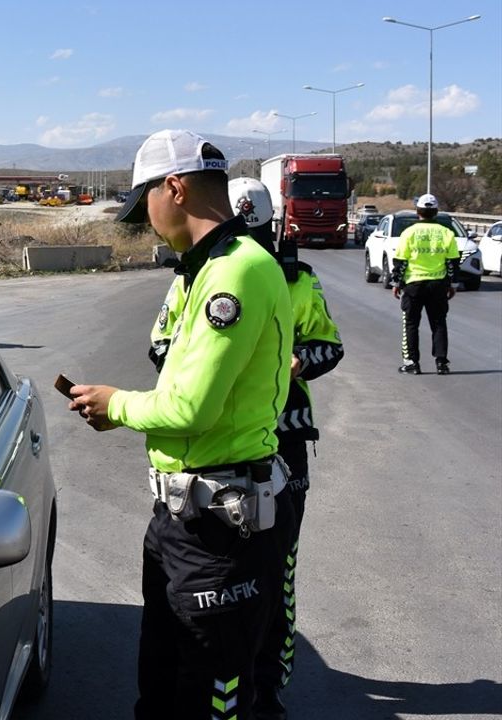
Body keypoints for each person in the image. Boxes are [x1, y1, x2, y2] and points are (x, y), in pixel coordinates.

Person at [65, 129, 296, 720]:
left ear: (174, 189)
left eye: (145, 200)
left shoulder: (236, 272)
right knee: (162, 690)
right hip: (183, 520)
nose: (145, 219)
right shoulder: (204, 269)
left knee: (207, 700)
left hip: (221, 530)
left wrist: (116, 405)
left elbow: (192, 408)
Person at [149, 176, 344, 719]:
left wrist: (295, 359)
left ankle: (268, 685)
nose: (248, 246)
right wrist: (213, 366)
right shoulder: (194, 278)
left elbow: (330, 346)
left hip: (284, 442)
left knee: (278, 573)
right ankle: (232, 686)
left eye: (257, 234)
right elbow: (161, 345)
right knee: (210, 605)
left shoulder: (296, 279)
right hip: (218, 453)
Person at [392, 193, 458, 375]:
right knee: (438, 323)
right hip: (437, 284)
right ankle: (441, 363)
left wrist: (397, 283)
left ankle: (412, 362)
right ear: (436, 212)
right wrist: (452, 284)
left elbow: (401, 261)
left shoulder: (409, 233)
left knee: (411, 324)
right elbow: (452, 262)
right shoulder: (446, 233)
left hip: (414, 284)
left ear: (418, 211)